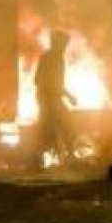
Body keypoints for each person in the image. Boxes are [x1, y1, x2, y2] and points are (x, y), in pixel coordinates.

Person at [34, 30, 77, 167]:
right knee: (60, 126)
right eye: (63, 44)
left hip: (53, 99)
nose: (65, 47)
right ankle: (64, 157)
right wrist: (57, 95)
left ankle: (65, 156)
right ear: (56, 43)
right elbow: (39, 80)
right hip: (49, 99)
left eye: (65, 44)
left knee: (60, 126)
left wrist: (67, 94)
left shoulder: (56, 58)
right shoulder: (50, 58)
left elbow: (57, 83)